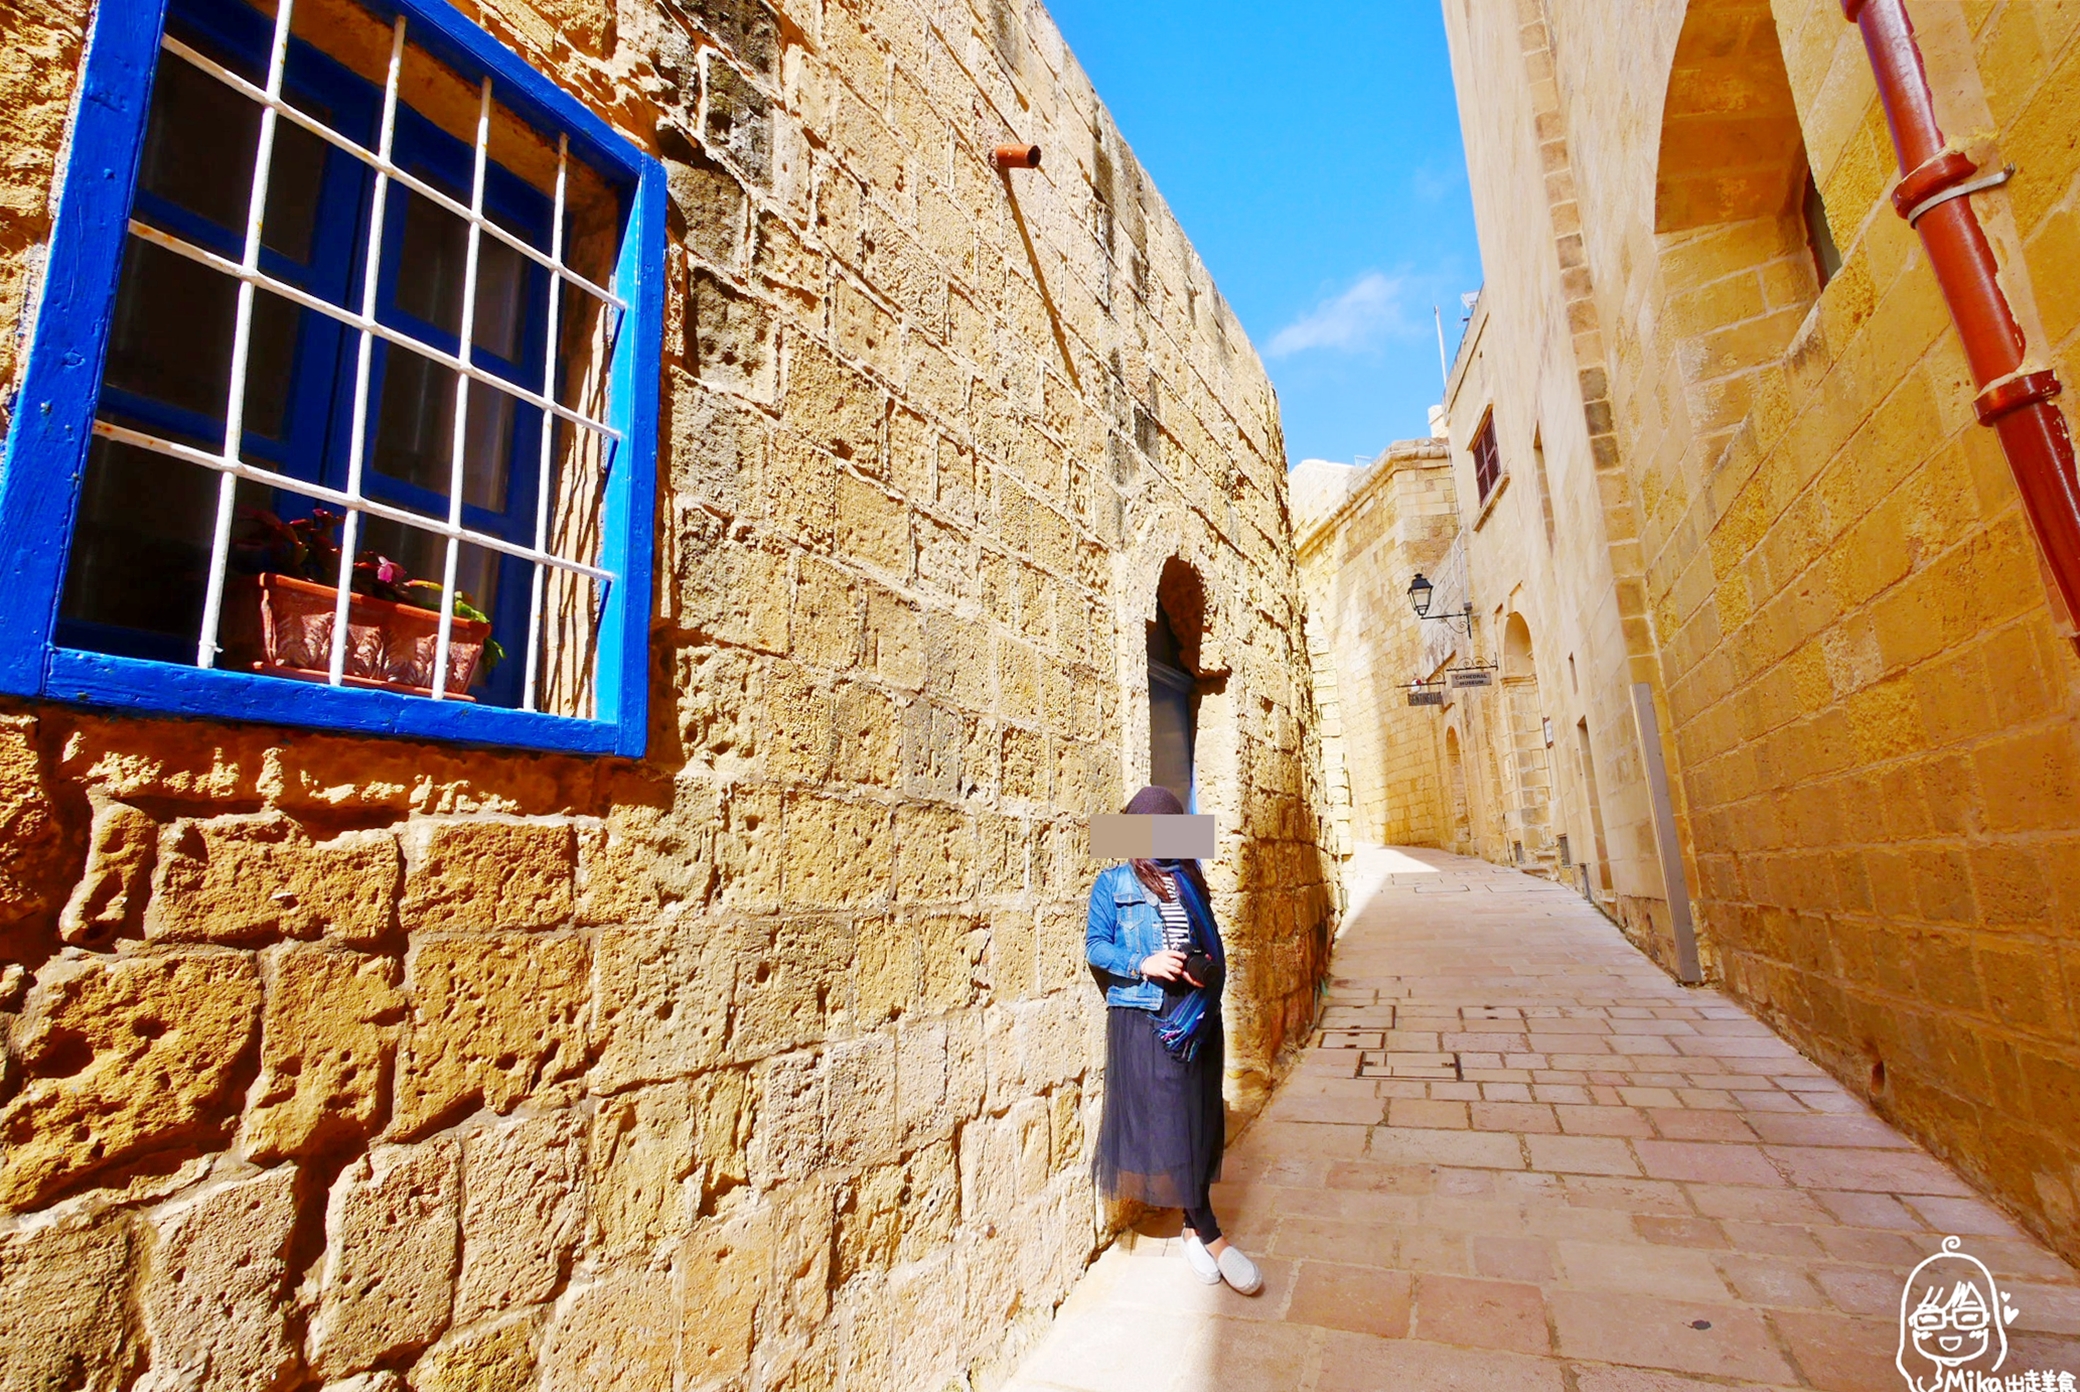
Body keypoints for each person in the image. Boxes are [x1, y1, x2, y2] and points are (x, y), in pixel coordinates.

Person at [1084, 784, 1262, 1294]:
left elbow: (1210, 947)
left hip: (1196, 1013)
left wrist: (1203, 971)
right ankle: (1211, 1234)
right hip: (1148, 1015)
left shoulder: (1190, 879)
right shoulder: (1113, 882)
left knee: (1201, 1117)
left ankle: (1190, 1228)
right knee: (1172, 1119)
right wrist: (1144, 962)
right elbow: (1096, 946)